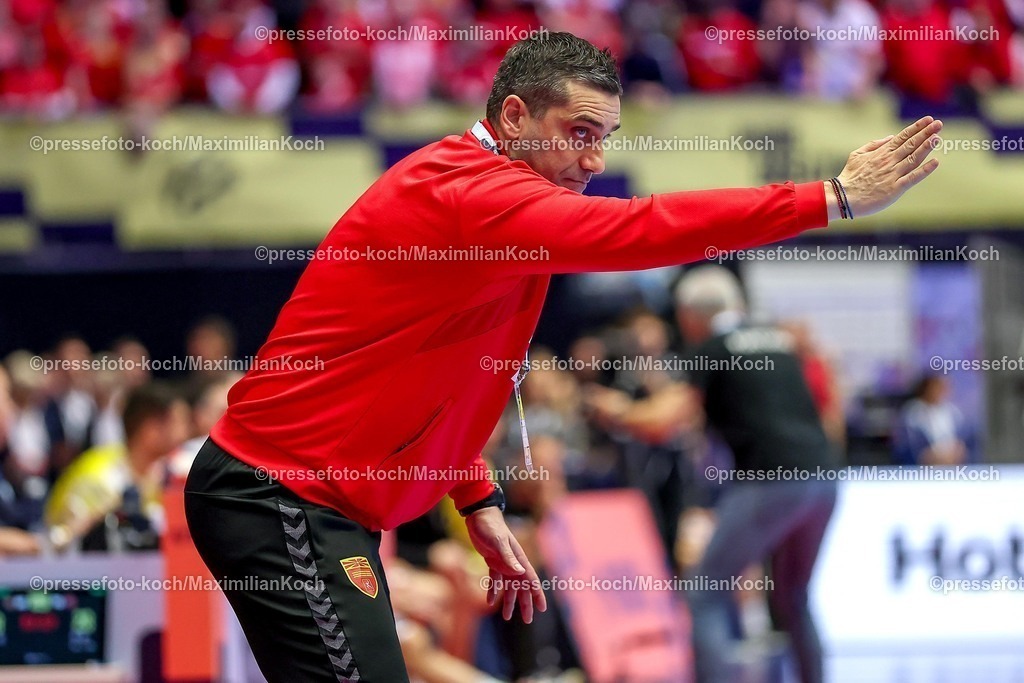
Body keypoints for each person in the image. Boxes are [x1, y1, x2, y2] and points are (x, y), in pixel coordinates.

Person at [184, 31, 943, 683]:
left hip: (323, 505)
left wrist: (476, 501)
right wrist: (828, 198)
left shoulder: (496, 209)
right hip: (276, 494)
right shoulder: (469, 192)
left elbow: (436, 380)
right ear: (513, 116)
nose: (593, 157)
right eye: (578, 131)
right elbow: (644, 228)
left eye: (604, 136)